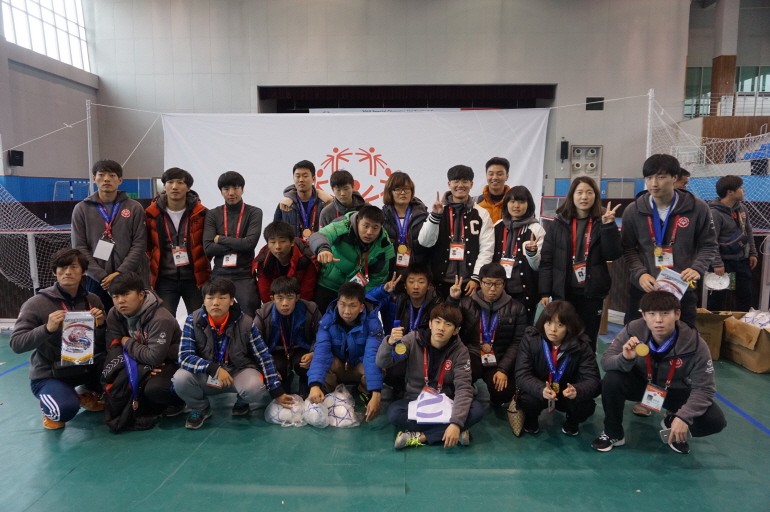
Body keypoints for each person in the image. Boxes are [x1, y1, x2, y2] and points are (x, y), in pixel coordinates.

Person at [592, 291, 726, 454]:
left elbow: (704, 388)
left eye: (665, 313)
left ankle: (672, 426)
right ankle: (613, 433)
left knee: (715, 420)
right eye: (651, 314)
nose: (658, 320)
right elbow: (606, 362)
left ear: (677, 314)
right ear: (644, 315)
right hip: (641, 385)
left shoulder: (695, 344)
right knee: (612, 379)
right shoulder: (633, 329)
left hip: (675, 390)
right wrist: (625, 358)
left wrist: (684, 417)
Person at [173, 278, 292, 429]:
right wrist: (213, 369)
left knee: (255, 387)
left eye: (222, 298)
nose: (215, 303)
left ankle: (242, 401)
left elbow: (263, 356)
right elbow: (184, 357)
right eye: (210, 298)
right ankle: (200, 408)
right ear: (204, 300)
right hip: (208, 374)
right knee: (180, 379)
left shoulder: (246, 323)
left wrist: (276, 391)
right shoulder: (192, 321)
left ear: (231, 301)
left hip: (238, 371)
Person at [10, 248, 107, 430]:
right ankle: (51, 403)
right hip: (51, 374)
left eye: (73, 267)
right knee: (64, 411)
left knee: (120, 384)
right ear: (55, 272)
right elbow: (16, 344)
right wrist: (47, 329)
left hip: (85, 368)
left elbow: (103, 344)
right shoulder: (36, 303)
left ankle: (85, 392)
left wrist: (101, 325)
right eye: (62, 267)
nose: (68, 272)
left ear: (83, 271)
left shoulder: (93, 301)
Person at [621, 154, 718, 328]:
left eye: (661, 177)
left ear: (674, 178)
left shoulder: (697, 208)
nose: (654, 183)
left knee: (684, 338)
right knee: (636, 338)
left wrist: (697, 268)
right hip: (645, 288)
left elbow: (708, 244)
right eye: (649, 178)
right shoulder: (633, 211)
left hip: (681, 288)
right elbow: (628, 248)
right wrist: (640, 273)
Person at [377, 303, 483, 449]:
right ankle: (449, 432)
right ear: (430, 324)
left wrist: (456, 423)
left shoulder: (461, 351)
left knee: (477, 410)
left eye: (448, 324)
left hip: (447, 401)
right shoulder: (413, 339)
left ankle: (422, 437)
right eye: (437, 322)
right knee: (394, 413)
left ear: (455, 331)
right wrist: (389, 343)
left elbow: (463, 388)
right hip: (417, 399)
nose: (441, 328)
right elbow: (382, 362)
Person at [539, 177, 622, 352]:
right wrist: (545, 291)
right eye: (580, 192)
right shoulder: (558, 224)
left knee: (588, 339)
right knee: (563, 336)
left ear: (595, 196)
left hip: (592, 292)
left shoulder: (602, 221)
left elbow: (612, 254)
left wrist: (608, 226)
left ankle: (586, 369)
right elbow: (547, 260)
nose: (584, 197)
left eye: (589, 192)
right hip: (564, 292)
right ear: (572, 195)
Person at [102, 272, 185, 432]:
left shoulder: (160, 318)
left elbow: (154, 357)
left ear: (141, 295)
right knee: (103, 371)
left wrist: (127, 341)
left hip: (169, 361)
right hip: (138, 360)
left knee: (155, 389)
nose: (120, 301)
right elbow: (113, 348)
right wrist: (142, 368)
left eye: (126, 294)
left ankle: (178, 400)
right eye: (115, 296)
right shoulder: (114, 313)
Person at [514, 301, 600, 436]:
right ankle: (531, 419)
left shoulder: (582, 346)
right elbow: (521, 374)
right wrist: (541, 389)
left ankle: (572, 422)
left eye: (560, 325)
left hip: (566, 392)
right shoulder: (531, 339)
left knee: (586, 406)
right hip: (541, 390)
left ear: (569, 326)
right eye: (548, 323)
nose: (552, 329)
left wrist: (577, 390)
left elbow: (593, 380)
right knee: (527, 400)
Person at [71, 159, 147, 311]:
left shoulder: (134, 207)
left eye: (112, 175)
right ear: (94, 179)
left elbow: (139, 244)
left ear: (120, 180)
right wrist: (100, 276)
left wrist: (120, 273)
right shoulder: (81, 209)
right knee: (99, 319)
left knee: (131, 320)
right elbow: (79, 247)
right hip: (97, 280)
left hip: (129, 277)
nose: (106, 179)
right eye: (101, 175)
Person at [446, 263, 527, 406]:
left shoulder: (517, 308)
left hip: (499, 357)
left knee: (502, 392)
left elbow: (517, 342)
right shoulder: (466, 303)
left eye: (498, 284)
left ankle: (496, 398)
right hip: (472, 353)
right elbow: (448, 321)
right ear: (480, 283)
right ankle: (469, 386)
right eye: (488, 283)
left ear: (504, 284)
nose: (492, 288)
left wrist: (503, 369)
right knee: (457, 380)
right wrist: (453, 300)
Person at [306, 282, 384, 423]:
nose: (346, 311)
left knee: (379, 364)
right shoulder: (326, 322)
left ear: (361, 307)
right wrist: (314, 385)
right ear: (337, 304)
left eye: (352, 306)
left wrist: (376, 393)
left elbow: (372, 355)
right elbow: (321, 353)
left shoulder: (373, 324)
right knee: (322, 361)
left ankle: (365, 392)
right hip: (339, 366)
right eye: (343, 305)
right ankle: (331, 396)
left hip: (359, 365)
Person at [418, 165, 494, 299]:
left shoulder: (482, 214)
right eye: (456, 181)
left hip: (469, 283)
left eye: (465, 181)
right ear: (449, 184)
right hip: (440, 282)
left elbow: (487, 249)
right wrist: (435, 216)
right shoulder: (439, 210)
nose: (460, 185)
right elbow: (425, 242)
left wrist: (476, 277)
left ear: (471, 184)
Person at [366, 266, 443, 398]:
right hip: (399, 349)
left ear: (428, 286)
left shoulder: (437, 303)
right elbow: (366, 302)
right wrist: (383, 290)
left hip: (424, 352)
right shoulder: (394, 299)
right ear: (405, 285)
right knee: (392, 375)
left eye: (421, 282)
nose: (416, 286)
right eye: (411, 281)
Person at [145, 167, 209, 315]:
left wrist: (200, 263)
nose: (175, 186)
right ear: (164, 186)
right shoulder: (151, 213)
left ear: (188, 188)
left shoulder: (202, 214)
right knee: (164, 321)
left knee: (200, 321)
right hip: (164, 279)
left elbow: (207, 245)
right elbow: (148, 245)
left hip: (195, 279)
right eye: (170, 182)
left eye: (180, 182)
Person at [309, 205, 396, 313]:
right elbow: (319, 235)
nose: (369, 232)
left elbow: (377, 279)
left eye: (375, 228)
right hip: (328, 285)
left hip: (353, 294)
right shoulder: (343, 225)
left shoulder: (384, 245)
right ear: (358, 221)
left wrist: (363, 300)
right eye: (366, 226)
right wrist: (323, 249)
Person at [203, 171, 263, 317]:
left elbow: (249, 244)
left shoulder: (254, 212)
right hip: (219, 273)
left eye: (236, 188)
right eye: (226, 189)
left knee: (251, 312)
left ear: (242, 189)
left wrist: (220, 239)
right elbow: (208, 248)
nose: (231, 193)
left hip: (244, 274)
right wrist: (239, 243)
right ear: (221, 192)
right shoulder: (213, 214)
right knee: (215, 313)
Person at [253, 277, 321, 398]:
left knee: (305, 363)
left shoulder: (311, 310)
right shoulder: (263, 314)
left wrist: (313, 352)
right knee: (277, 367)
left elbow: (321, 336)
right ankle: (284, 380)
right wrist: (268, 369)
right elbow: (255, 345)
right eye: (280, 298)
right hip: (275, 351)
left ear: (297, 297)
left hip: (302, 348)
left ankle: (305, 383)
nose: (285, 303)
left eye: (290, 297)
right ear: (272, 299)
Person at [492, 185, 546, 321]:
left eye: (521, 202)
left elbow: (538, 266)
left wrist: (532, 253)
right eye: (512, 201)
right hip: (498, 290)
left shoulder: (536, 229)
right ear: (506, 204)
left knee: (524, 328)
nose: (516, 206)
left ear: (529, 204)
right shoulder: (497, 226)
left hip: (525, 292)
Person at [707, 175, 757, 312]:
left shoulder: (742, 209)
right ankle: (714, 324)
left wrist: (752, 253)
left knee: (745, 297)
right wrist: (717, 263)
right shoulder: (714, 213)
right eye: (740, 188)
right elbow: (711, 240)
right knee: (716, 299)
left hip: (741, 261)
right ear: (730, 192)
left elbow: (748, 231)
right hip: (722, 263)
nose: (743, 190)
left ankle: (742, 324)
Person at [253, 220, 319, 304]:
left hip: (300, 302)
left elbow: (306, 292)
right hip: (276, 304)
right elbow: (265, 293)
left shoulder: (307, 259)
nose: (278, 247)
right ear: (268, 244)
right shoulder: (263, 262)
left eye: (283, 241)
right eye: (273, 242)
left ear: (292, 242)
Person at [381, 171, 430, 276]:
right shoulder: (382, 218)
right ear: (390, 191)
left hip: (417, 274)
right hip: (390, 274)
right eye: (398, 189)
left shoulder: (423, 216)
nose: (403, 193)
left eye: (407, 189)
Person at [274, 160, 333, 239]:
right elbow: (275, 232)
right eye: (297, 176)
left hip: (321, 245)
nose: (301, 180)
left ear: (313, 179)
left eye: (305, 176)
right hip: (294, 246)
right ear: (293, 178)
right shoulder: (284, 205)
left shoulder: (326, 203)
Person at [476, 157, 511, 223]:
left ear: (507, 176)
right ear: (486, 176)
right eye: (491, 174)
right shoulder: (476, 202)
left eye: (499, 174)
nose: (495, 177)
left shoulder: (515, 202)